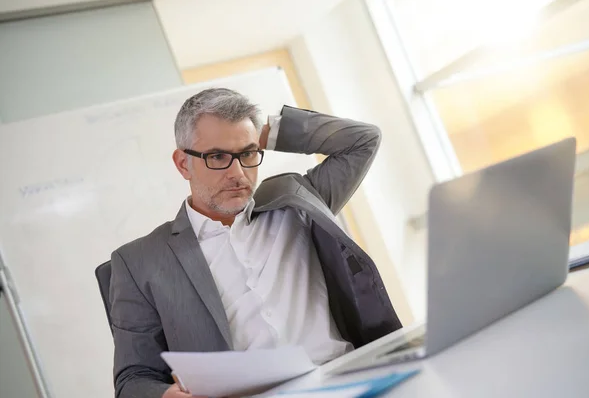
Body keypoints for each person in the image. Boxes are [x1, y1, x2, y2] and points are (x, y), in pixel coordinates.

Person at [109, 88, 402, 398]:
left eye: (247, 154)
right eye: (218, 156)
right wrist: (166, 396)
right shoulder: (140, 261)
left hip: (350, 381)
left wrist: (269, 133)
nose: (238, 174)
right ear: (183, 164)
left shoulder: (296, 202)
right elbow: (133, 379)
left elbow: (363, 140)